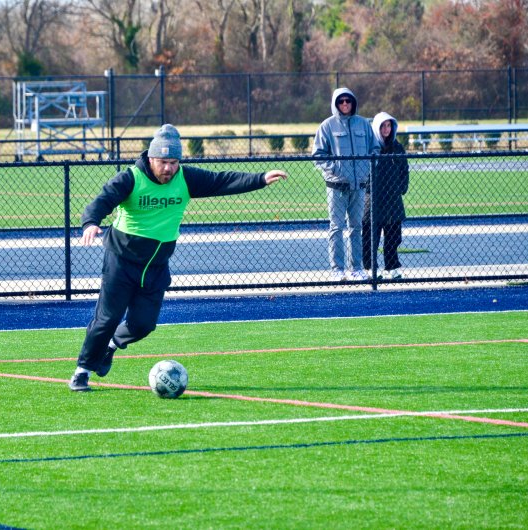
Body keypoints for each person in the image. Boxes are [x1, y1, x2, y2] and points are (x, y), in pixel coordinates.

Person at [70, 124, 287, 391]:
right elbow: (102, 201)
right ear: (151, 158)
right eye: (163, 162)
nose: (168, 169)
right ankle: (82, 371)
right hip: (121, 262)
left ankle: (111, 346)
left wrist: (260, 178)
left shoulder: (186, 178)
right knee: (107, 318)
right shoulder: (130, 178)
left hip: (156, 267)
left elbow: (221, 181)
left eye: (173, 162)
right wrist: (90, 222)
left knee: (144, 325)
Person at [312, 88, 379, 281]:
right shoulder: (327, 126)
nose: (344, 104)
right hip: (337, 187)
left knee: (357, 228)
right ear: (335, 103)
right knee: (336, 228)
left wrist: (366, 166)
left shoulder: (364, 124)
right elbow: (318, 155)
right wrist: (336, 170)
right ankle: (337, 269)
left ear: (353, 102)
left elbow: (374, 148)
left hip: (359, 186)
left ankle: (356, 268)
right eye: (340, 101)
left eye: (348, 101)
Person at [363, 112, 410, 280]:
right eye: (382, 126)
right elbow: (363, 171)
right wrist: (369, 189)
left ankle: (392, 267)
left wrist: (401, 188)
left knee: (393, 238)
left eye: (389, 125)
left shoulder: (397, 147)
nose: (386, 129)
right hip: (372, 201)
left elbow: (404, 170)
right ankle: (370, 269)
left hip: (393, 202)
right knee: (369, 239)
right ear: (376, 127)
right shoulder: (369, 148)